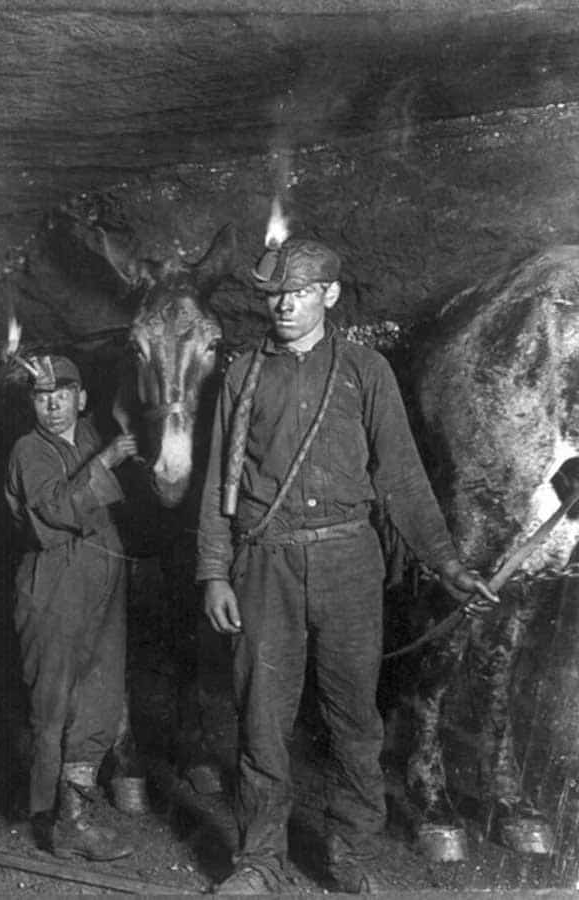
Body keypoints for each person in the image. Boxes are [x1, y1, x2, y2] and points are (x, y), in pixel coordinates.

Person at [195, 238, 498, 894]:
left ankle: (350, 847)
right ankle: (258, 861)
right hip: (265, 562)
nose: (284, 306)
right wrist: (214, 573)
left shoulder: (365, 371)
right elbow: (218, 480)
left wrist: (446, 563)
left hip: (347, 561)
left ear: (328, 294)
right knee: (262, 716)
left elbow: (403, 479)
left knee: (354, 717)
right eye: (275, 295)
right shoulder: (242, 375)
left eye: (299, 293)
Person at [3, 354, 140, 862]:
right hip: (54, 582)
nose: (53, 404)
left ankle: (75, 815)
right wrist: (106, 462)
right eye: (41, 397)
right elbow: (57, 509)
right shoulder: (27, 450)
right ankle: (54, 821)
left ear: (82, 399)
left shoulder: (88, 434)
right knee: (52, 704)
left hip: (104, 579)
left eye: (63, 394)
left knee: (101, 696)